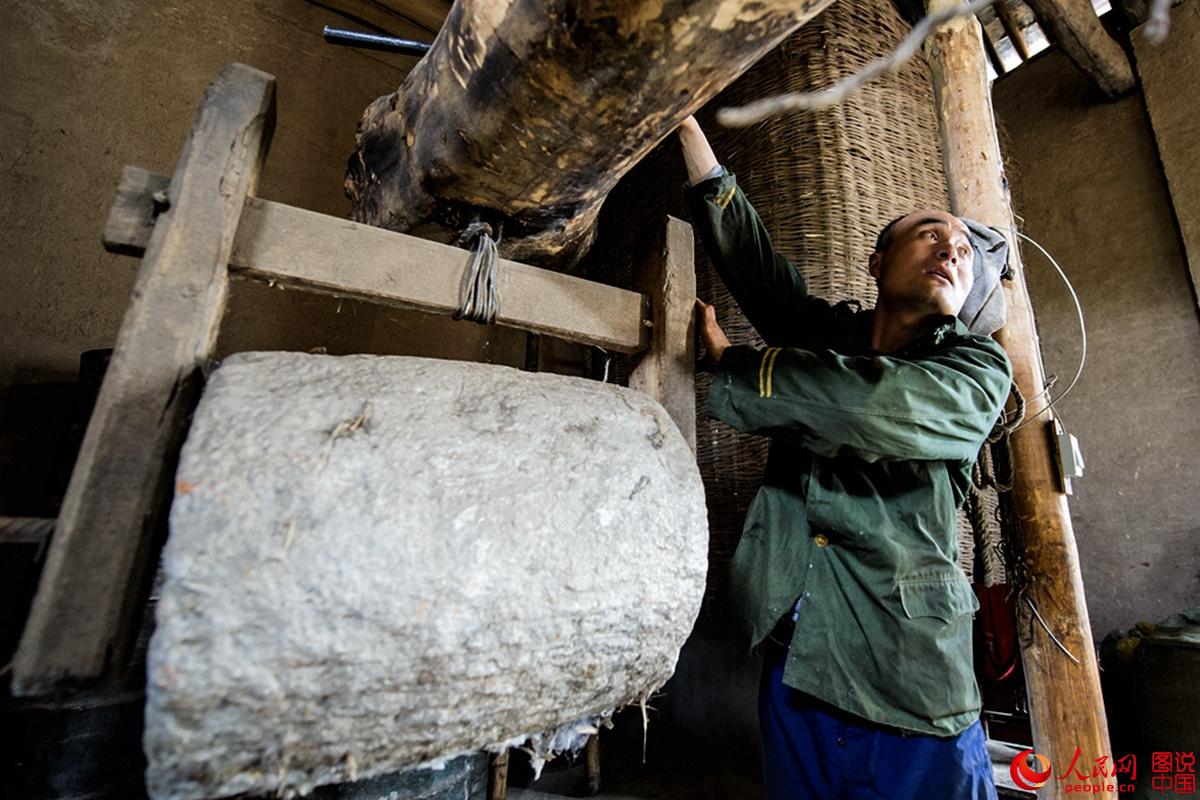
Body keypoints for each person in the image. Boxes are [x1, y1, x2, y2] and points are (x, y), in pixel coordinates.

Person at [676, 114, 1012, 800]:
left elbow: (872, 406)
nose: (952, 249)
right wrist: (683, 123)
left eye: (965, 252)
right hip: (796, 669)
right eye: (929, 234)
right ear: (877, 263)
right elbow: (760, 273)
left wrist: (736, 364)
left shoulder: (976, 369)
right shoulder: (831, 338)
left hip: (909, 678)